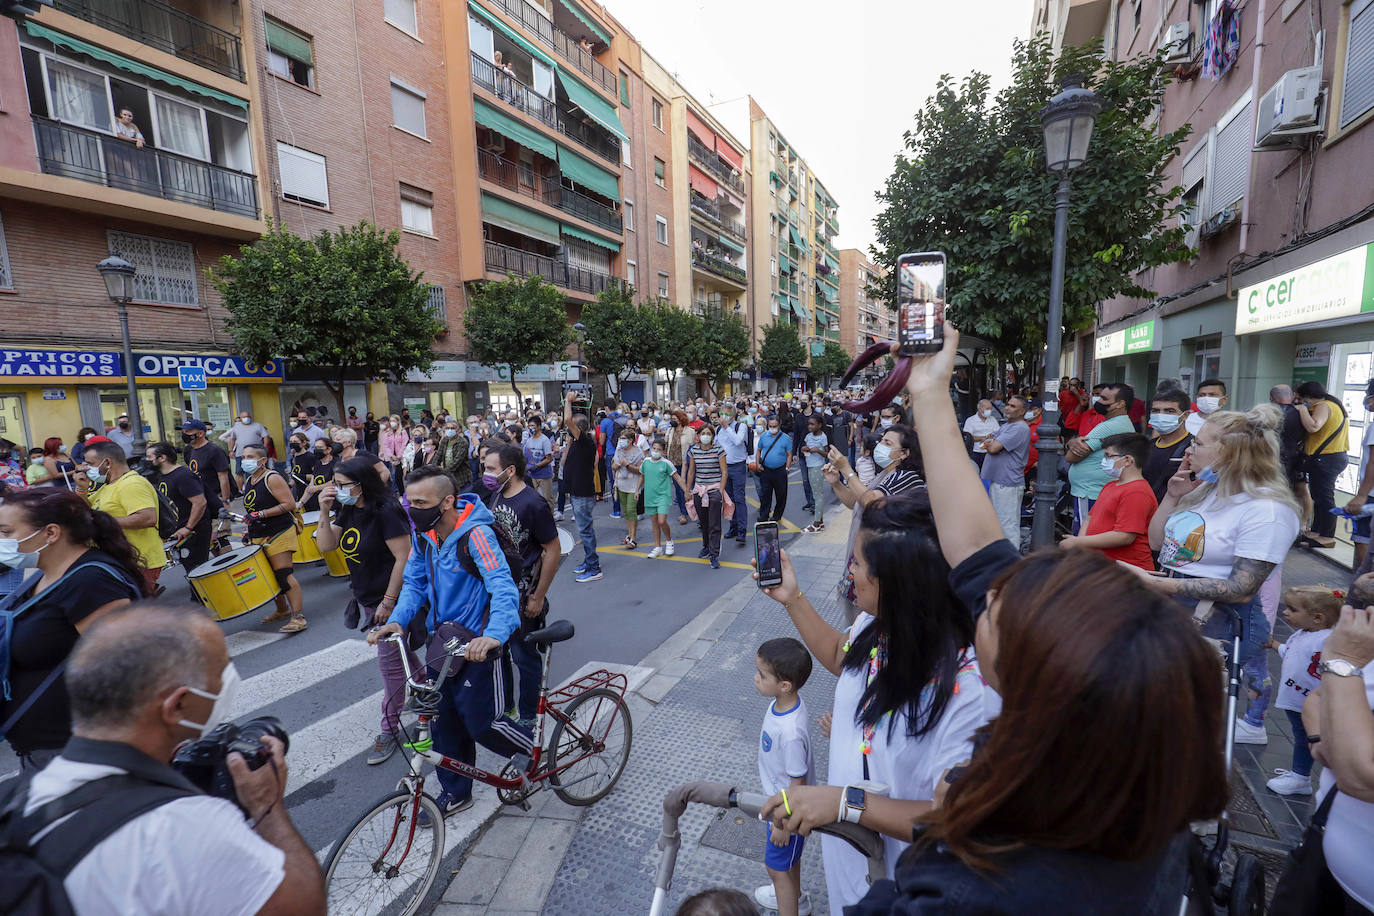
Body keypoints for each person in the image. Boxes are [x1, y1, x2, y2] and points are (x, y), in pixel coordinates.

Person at [784, 321, 1228, 913]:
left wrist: (857, 805)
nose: (990, 592)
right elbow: (973, 544)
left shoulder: (976, 887)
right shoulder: (1127, 789)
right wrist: (931, 390)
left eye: (1006, 606)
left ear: (1036, 690)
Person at [756, 494, 995, 914]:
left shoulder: (971, 693)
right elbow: (839, 656)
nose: (851, 570)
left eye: (860, 564)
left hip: (909, 891)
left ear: (902, 583)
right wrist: (792, 598)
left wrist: (844, 802)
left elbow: (963, 823)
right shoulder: (875, 624)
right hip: (852, 865)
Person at [2, 603, 325, 914]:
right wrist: (268, 808)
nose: (228, 680)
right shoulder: (184, 828)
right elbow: (303, 907)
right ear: (177, 705)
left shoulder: (16, 799)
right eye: (221, 671)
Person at [367, 466, 533, 824]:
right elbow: (414, 583)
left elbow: (502, 586)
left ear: (447, 502)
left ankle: (532, 751)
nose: (412, 509)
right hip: (444, 643)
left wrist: (495, 635)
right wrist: (398, 619)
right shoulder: (425, 537)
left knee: (483, 723)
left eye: (421, 502)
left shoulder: (477, 536)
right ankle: (456, 793)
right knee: (444, 724)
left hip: (478, 645)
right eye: (409, 501)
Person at [1131, 406, 1300, 745]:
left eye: (1198, 442)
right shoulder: (1208, 491)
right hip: (1175, 614)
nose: (1188, 450)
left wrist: (1154, 583)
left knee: (1181, 723)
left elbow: (1242, 588)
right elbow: (1156, 542)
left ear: (1229, 452)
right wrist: (1173, 496)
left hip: (1217, 626)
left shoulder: (1267, 509)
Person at [0, 487, 145, 771]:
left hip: (81, 755)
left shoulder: (91, 581)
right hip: (45, 751)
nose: (1, 541)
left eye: (6, 532)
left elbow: (126, 672)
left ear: (51, 533)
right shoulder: (42, 574)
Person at [315, 457, 414, 764]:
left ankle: (389, 729)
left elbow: (403, 557)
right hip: (367, 596)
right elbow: (326, 546)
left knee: (391, 668)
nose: (337, 488)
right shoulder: (349, 508)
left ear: (361, 484)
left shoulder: (386, 511)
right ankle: (427, 691)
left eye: (343, 484)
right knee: (401, 656)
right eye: (335, 483)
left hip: (393, 600)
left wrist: (389, 601)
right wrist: (323, 510)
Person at [1293, 604, 1374, 912]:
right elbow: (1317, 696)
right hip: (1325, 863)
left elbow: (1361, 779)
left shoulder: (1354, 649)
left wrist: (1343, 661)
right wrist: (1318, 738)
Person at [484, 444, 561, 727]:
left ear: (510, 470)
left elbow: (552, 550)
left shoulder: (533, 503)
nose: (486, 474)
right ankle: (507, 709)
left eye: (491, 469)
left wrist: (538, 597)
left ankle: (529, 717)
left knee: (524, 656)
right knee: (499, 652)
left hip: (523, 593)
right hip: (499, 592)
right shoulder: (495, 495)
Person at [822, 425, 924, 625]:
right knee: (855, 624)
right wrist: (836, 483)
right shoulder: (884, 474)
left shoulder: (906, 477)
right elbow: (855, 501)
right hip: (862, 560)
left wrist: (846, 468)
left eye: (888, 443)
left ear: (905, 453)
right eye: (882, 441)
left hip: (880, 566)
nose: (880, 446)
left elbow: (872, 503)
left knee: (868, 624)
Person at [752, 637, 815, 916]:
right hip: (782, 805)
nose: (756, 678)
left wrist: (782, 823)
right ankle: (797, 898)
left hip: (785, 810)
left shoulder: (790, 733)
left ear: (785, 685)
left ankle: (788, 905)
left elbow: (797, 783)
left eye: (762, 675)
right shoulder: (784, 703)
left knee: (776, 870)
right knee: (788, 864)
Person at [1260, 585, 1339, 796]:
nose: (1285, 612)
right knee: (1300, 735)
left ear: (1317, 618)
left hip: (1309, 701)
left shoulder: (1326, 640)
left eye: (1293, 610)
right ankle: (1298, 773)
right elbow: (1291, 652)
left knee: (1306, 737)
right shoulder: (1302, 633)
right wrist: (1274, 644)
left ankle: (1301, 777)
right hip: (1297, 698)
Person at [1059, 432, 1157, 571]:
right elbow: (1090, 518)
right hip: (1103, 568)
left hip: (1127, 572)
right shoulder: (1110, 486)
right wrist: (1081, 546)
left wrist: (1078, 542)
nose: (1104, 461)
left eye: (1108, 456)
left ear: (1128, 460)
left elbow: (1124, 536)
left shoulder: (1137, 491)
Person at [83, 439, 166, 594]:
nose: (86, 468)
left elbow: (148, 518)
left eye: (90, 464)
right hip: (122, 560)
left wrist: (105, 522)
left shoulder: (131, 484)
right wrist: (82, 488)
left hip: (140, 561)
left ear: (107, 462)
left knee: (137, 612)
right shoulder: (109, 486)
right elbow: (89, 511)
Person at [240, 444, 306, 634]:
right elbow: (251, 511)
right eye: (244, 456)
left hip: (279, 531)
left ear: (261, 460)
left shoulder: (273, 477)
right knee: (269, 574)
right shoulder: (250, 480)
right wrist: (249, 530)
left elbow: (289, 504)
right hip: (259, 532)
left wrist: (261, 514)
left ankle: (298, 616)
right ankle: (282, 610)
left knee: (283, 574)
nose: (245, 460)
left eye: (250, 456)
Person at [1065, 382, 1137, 534]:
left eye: (1104, 398)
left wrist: (1071, 444)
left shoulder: (1109, 427)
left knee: (1083, 540)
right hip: (1096, 491)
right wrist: (1072, 442)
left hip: (1090, 492)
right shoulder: (1119, 423)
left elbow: (1071, 457)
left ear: (1119, 404)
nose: (1098, 401)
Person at [1295, 379, 1350, 550]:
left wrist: (1303, 410)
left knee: (1325, 498)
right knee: (1319, 497)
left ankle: (1326, 535)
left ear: (1308, 397)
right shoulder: (1330, 405)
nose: (1301, 402)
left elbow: (1313, 426)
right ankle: (1317, 532)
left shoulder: (1324, 406)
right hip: (1330, 458)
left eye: (1302, 399)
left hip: (1327, 459)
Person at [146, 442, 212, 571]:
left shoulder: (183, 476)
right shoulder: (162, 476)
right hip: (179, 532)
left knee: (197, 570)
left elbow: (200, 502)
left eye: (149, 457)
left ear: (162, 458)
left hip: (194, 532)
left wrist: (188, 527)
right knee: (190, 570)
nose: (147, 460)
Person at [978, 394, 1029, 544]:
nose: (1007, 407)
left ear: (1022, 412)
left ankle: (1012, 563)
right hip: (1001, 481)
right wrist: (990, 440)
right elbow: (988, 439)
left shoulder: (1019, 428)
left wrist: (990, 442)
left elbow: (993, 447)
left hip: (1008, 483)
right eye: (1008, 404)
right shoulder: (1008, 425)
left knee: (1007, 527)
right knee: (1000, 525)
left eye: (1013, 406)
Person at [563, 400, 602, 583]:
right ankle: (588, 562)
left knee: (585, 531)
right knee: (585, 530)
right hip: (577, 492)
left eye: (571, 428)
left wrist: (568, 401)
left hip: (583, 494)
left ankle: (594, 568)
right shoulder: (577, 443)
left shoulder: (585, 441)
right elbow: (564, 463)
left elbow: (567, 419)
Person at [686, 423, 728, 569]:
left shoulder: (719, 450)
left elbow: (724, 472)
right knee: (703, 522)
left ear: (712, 436)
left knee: (714, 523)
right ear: (698, 436)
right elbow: (691, 472)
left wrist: (721, 491)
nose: (705, 436)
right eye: (703, 433)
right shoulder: (694, 451)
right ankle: (706, 545)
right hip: (699, 490)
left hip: (714, 490)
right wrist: (687, 490)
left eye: (708, 434)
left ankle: (714, 554)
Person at [182, 419, 231, 539]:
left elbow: (223, 478)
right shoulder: (189, 450)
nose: (184, 434)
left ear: (200, 433)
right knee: (208, 539)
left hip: (216, 498)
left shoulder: (214, 450)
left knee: (219, 537)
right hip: (201, 499)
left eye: (188, 431)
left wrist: (225, 502)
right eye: (183, 431)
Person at [1142, 388, 1193, 502]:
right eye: (1155, 411)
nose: (1161, 416)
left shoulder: (1193, 448)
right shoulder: (1145, 447)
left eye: (1169, 411)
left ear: (1186, 415)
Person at [717, 404, 751, 548]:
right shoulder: (719, 429)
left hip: (737, 466)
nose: (723, 416)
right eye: (722, 413)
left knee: (739, 498)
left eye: (727, 414)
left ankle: (742, 531)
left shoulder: (740, 427)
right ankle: (733, 526)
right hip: (724, 468)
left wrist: (727, 427)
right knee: (729, 500)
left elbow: (737, 441)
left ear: (733, 415)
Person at [754, 414, 793, 524]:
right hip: (766, 470)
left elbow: (789, 454)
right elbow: (758, 451)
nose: (772, 428)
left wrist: (787, 468)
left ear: (779, 425)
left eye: (775, 426)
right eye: (770, 426)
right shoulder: (764, 437)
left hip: (780, 470)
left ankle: (777, 515)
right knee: (765, 494)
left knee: (781, 495)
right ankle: (764, 515)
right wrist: (758, 464)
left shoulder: (785, 438)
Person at [222, 410, 269, 491]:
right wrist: (231, 450)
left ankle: (256, 489)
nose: (246, 418)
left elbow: (266, 437)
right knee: (239, 473)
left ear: (250, 417)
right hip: (240, 454)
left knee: (256, 471)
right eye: (244, 417)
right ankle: (240, 491)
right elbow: (232, 439)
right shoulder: (236, 427)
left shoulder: (258, 426)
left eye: (247, 417)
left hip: (255, 455)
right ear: (240, 418)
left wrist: (264, 448)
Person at [801, 415, 830, 533]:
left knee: (818, 495)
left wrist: (817, 450)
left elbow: (827, 454)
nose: (810, 426)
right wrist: (805, 449)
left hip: (818, 466)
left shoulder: (823, 437)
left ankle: (817, 523)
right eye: (809, 424)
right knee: (815, 493)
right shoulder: (808, 436)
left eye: (812, 424)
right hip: (809, 465)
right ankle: (820, 522)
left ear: (819, 425)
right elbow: (806, 447)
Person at [667, 411, 696, 525]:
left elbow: (693, 447)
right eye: (671, 418)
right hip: (673, 464)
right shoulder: (670, 431)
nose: (672, 420)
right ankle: (683, 512)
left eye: (674, 418)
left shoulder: (690, 432)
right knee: (678, 490)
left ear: (680, 419)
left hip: (687, 463)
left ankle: (693, 509)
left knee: (689, 487)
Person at [523, 418, 556, 512]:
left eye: (533, 426)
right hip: (532, 474)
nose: (531, 428)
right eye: (529, 426)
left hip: (544, 474)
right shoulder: (529, 440)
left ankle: (550, 520)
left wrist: (536, 465)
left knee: (547, 499)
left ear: (539, 426)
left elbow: (549, 459)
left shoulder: (544, 440)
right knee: (535, 499)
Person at [792, 398, 818, 514]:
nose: (802, 402)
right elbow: (796, 435)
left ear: (810, 402)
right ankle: (810, 501)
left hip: (815, 452)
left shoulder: (817, 415)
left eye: (805, 400)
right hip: (802, 453)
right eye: (801, 400)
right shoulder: (798, 417)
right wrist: (793, 453)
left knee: (815, 479)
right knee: (805, 480)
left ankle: (816, 502)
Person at [434, 417, 474, 493]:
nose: (450, 430)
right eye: (447, 428)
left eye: (452, 428)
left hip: (462, 477)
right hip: (449, 477)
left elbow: (457, 461)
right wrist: (434, 469)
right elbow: (438, 455)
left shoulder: (462, 442)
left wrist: (443, 472)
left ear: (458, 430)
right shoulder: (445, 440)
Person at [961, 400, 1000, 470]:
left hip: (990, 452)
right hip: (976, 453)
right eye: (988, 409)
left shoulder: (993, 419)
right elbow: (968, 438)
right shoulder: (970, 420)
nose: (990, 411)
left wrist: (993, 435)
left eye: (991, 409)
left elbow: (998, 432)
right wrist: (983, 438)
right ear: (980, 408)